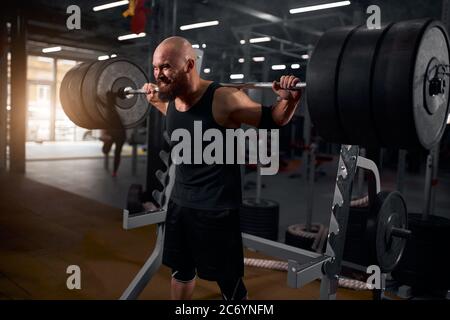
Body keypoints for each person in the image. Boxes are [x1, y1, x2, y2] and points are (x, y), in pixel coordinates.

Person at [143, 36, 302, 300]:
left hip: (216, 209)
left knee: (229, 283)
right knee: (181, 271)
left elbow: (273, 119)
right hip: (180, 204)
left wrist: (291, 100)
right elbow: (176, 116)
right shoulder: (170, 99)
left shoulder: (225, 99)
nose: (159, 75)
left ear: (189, 65)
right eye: (156, 68)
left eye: (167, 67)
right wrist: (153, 98)